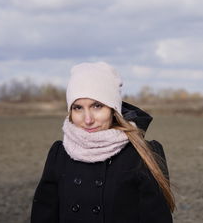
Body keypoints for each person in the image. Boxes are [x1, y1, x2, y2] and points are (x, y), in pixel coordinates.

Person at [31, 62, 175, 223]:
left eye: (97, 106)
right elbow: (43, 216)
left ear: (113, 109)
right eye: (78, 108)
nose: (88, 119)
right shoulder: (59, 154)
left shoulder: (143, 154)